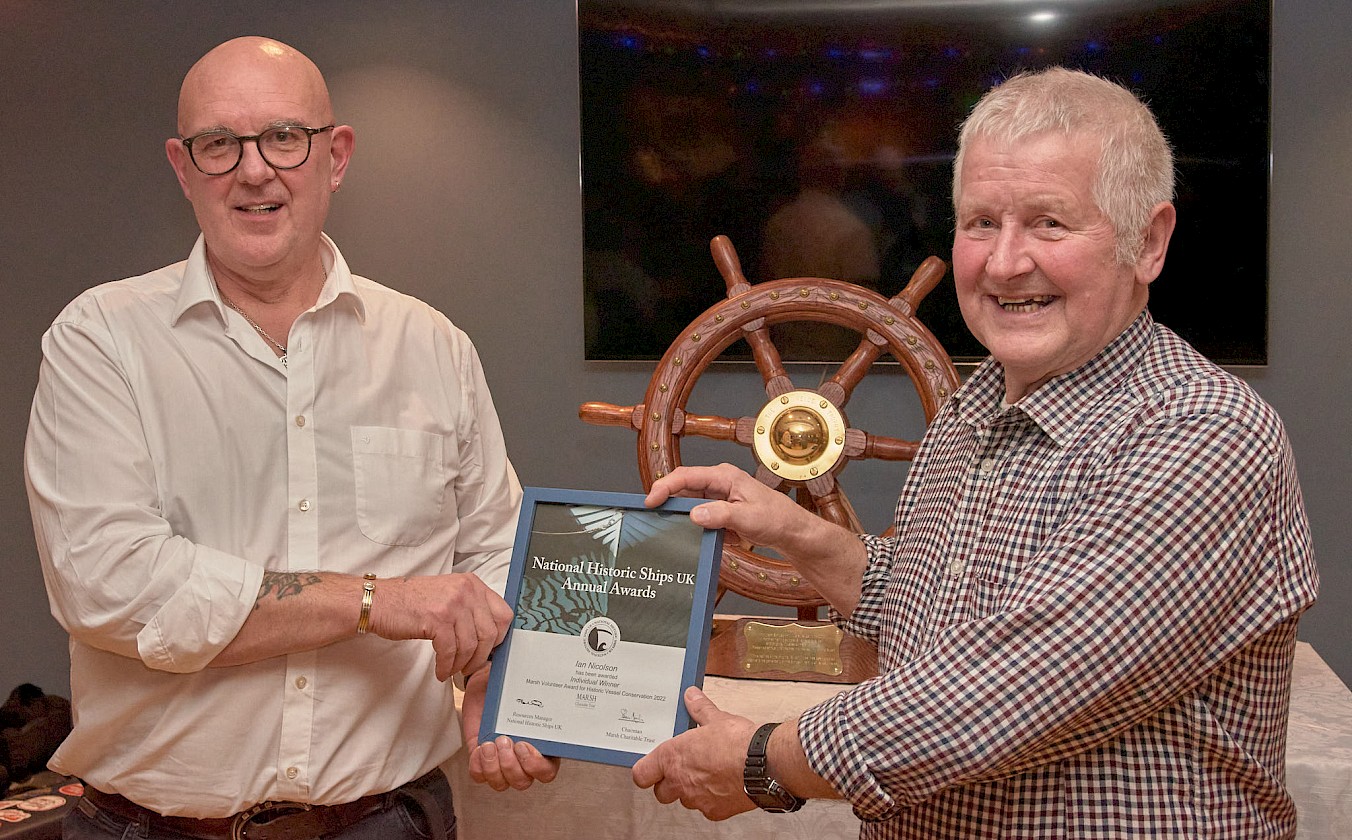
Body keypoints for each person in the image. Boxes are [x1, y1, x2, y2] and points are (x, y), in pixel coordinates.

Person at [632, 67, 1319, 838]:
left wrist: (761, 759)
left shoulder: (1202, 435)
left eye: (1050, 224)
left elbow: (1011, 689)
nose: (1003, 262)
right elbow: (931, 610)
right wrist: (801, 535)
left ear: (1149, 241)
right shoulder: (975, 405)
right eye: (981, 222)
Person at [24, 36, 552, 840]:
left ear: (335, 156)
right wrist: (376, 600)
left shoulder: (432, 345)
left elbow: (494, 554)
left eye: (283, 137)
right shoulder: (101, 340)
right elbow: (110, 584)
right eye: (218, 145)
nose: (254, 169)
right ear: (183, 166)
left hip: (389, 821)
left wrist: (500, 678)